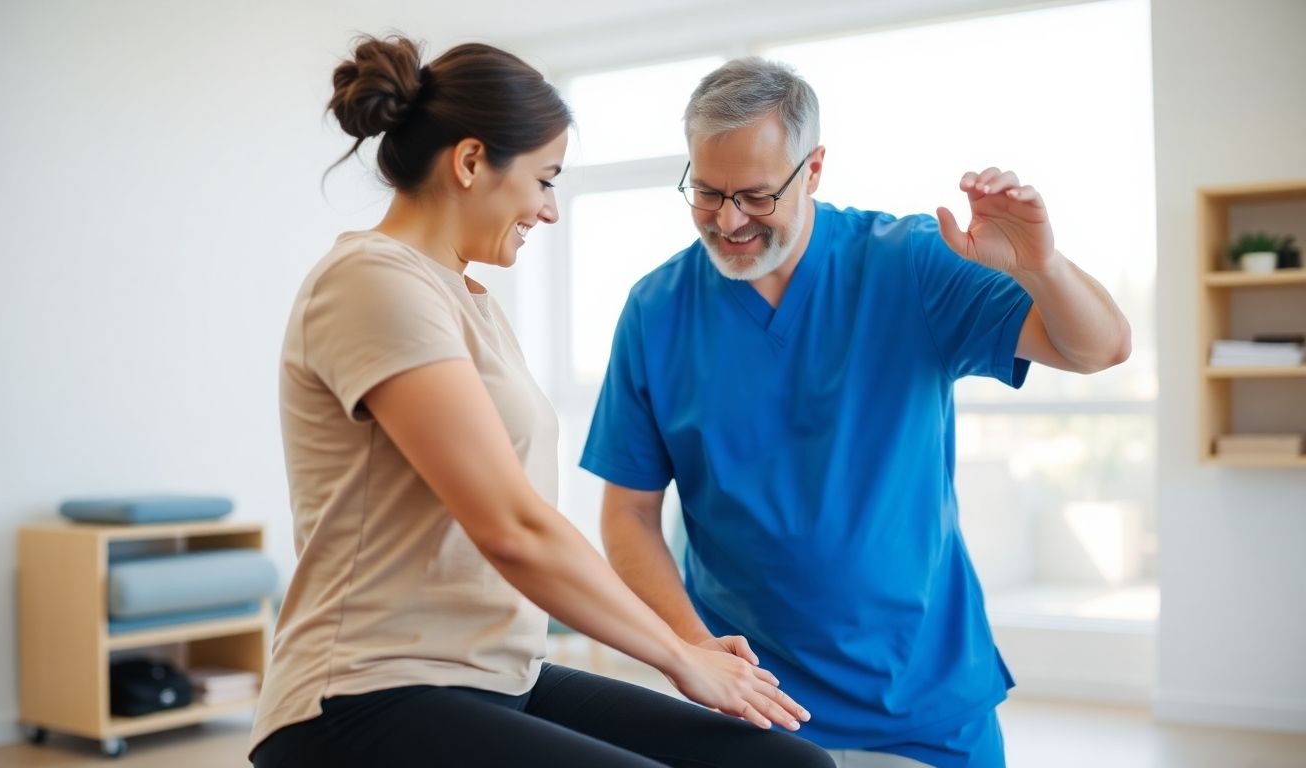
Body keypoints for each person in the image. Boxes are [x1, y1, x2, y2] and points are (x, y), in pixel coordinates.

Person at [247, 36, 836, 768]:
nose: (550, 210)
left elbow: (528, 522)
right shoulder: (371, 281)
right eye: (545, 180)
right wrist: (677, 655)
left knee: (790, 765)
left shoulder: (468, 303)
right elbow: (512, 527)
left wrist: (686, 645)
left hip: (497, 677)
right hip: (365, 694)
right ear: (470, 162)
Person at [580, 58, 1132, 768]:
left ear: (812, 170)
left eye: (755, 196)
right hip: (751, 705)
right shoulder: (656, 310)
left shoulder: (910, 264)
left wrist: (1041, 267)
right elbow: (628, 514)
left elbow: (1100, 348)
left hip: (924, 702)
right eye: (707, 193)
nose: (728, 220)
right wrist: (693, 647)